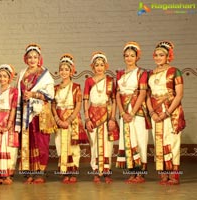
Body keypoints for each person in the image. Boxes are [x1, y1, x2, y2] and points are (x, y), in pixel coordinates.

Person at [15, 43, 56, 184]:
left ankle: (40, 173)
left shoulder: (44, 74)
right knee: (28, 142)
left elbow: (50, 95)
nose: (32, 60)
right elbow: (18, 93)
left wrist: (33, 94)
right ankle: (29, 173)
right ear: (25, 58)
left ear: (40, 58)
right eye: (30, 57)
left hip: (40, 113)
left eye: (35, 57)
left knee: (41, 142)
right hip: (26, 111)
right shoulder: (22, 74)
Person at [147, 41, 185, 185]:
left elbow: (179, 95)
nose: (158, 57)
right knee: (158, 141)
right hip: (155, 112)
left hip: (171, 111)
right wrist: (151, 112)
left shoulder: (175, 71)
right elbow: (147, 95)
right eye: (156, 55)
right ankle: (163, 173)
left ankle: (174, 175)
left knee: (172, 141)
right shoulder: (150, 73)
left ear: (168, 56)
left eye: (161, 55)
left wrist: (167, 113)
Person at [116, 42, 151, 183]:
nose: (129, 58)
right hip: (124, 111)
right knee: (126, 141)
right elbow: (117, 94)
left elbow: (142, 93)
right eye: (126, 56)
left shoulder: (142, 73)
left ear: (137, 57)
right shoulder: (119, 74)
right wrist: (123, 113)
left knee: (140, 140)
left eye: (132, 55)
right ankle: (131, 171)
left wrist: (132, 112)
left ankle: (140, 173)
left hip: (138, 111)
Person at [51, 54, 88, 184]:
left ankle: (73, 172)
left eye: (67, 69)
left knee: (73, 147)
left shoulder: (76, 87)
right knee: (60, 145)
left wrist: (69, 119)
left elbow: (78, 105)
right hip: (59, 119)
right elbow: (53, 104)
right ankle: (64, 172)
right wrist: (56, 118)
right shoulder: (55, 88)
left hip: (72, 120)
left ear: (71, 71)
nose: (64, 72)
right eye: (61, 69)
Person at [83, 51, 117, 184]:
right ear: (93, 66)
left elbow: (114, 100)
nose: (99, 67)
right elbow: (85, 100)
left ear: (106, 66)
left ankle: (107, 171)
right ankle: (96, 171)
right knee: (94, 144)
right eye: (96, 65)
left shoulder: (110, 81)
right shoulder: (89, 81)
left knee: (108, 145)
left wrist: (113, 118)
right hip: (92, 115)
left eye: (101, 65)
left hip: (107, 115)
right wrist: (86, 118)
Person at [0, 64, 19, 185]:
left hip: (9, 122)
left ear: (10, 78)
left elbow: (13, 108)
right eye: (0, 76)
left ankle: (8, 175)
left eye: (5, 76)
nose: (2, 79)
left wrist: (9, 124)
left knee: (9, 148)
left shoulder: (14, 91)